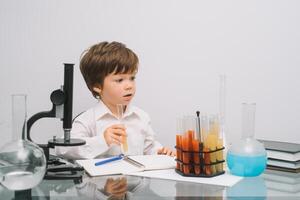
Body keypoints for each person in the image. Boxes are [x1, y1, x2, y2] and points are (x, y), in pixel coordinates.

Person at [56, 41, 175, 159]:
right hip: (101, 178)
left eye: (132, 78)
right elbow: (63, 149)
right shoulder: (87, 120)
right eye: (119, 80)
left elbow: (149, 147)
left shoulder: (141, 117)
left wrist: (159, 153)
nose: (129, 86)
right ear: (97, 86)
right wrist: (102, 141)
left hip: (135, 177)